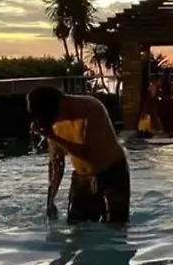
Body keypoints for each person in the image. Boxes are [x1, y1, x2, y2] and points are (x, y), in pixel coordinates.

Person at [27, 86, 130, 225]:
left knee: (116, 227)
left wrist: (55, 137)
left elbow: (89, 153)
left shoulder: (91, 108)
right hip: (82, 178)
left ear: (60, 104)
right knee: (76, 226)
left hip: (112, 172)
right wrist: (51, 198)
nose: (55, 122)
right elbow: (56, 161)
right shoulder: (53, 122)